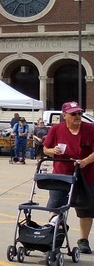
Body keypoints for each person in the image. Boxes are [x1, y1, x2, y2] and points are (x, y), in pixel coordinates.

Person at [42, 101, 94, 254]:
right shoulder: (56, 129)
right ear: (64, 115)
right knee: (55, 205)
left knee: (87, 209)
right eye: (74, 114)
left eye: (79, 113)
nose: (78, 116)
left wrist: (84, 161)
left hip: (86, 175)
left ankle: (83, 240)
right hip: (61, 175)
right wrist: (53, 150)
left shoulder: (90, 129)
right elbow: (45, 149)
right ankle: (55, 234)